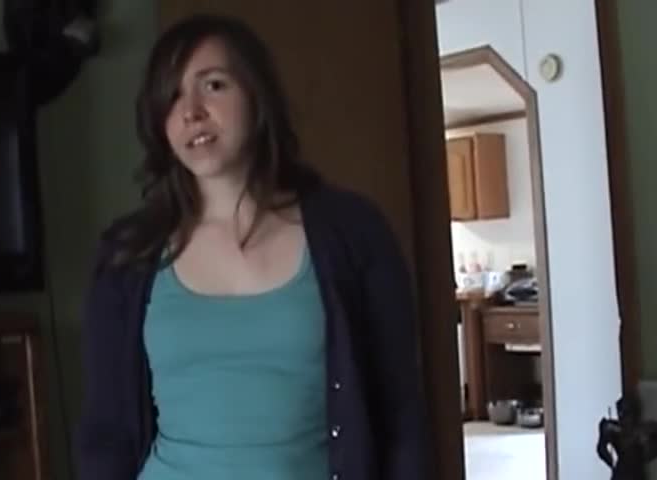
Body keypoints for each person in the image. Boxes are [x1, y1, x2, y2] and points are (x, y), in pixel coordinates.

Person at [77, 13, 433, 480]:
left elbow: (400, 414)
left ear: (256, 94)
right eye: (173, 95)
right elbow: (105, 435)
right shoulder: (128, 255)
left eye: (214, 85)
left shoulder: (353, 233)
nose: (191, 111)